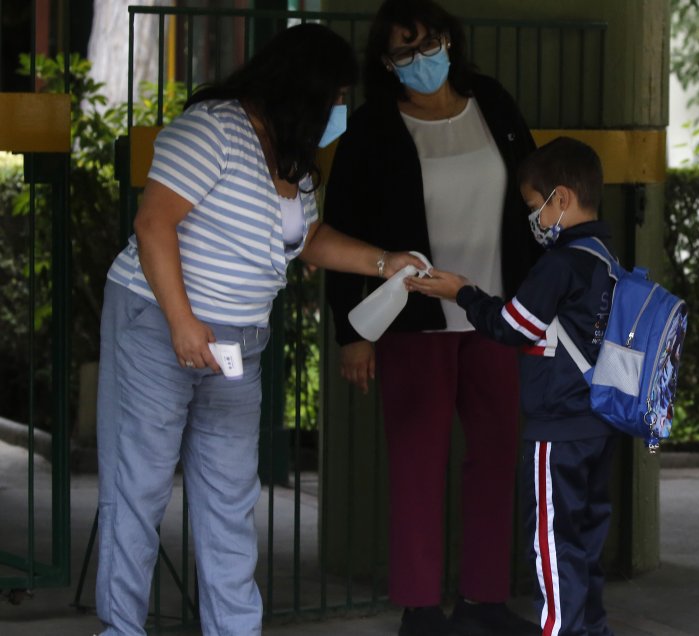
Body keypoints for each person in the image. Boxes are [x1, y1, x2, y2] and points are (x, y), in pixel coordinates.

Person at [95, 24, 425, 636]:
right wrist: (182, 323)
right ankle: (121, 629)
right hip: (156, 327)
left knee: (229, 501)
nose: (338, 112)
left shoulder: (292, 158)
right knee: (137, 490)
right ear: (301, 90)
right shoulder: (212, 129)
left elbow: (308, 240)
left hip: (238, 343)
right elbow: (153, 224)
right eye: (333, 99)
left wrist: (386, 261)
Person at [321, 1, 541, 635]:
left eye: (427, 45)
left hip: (495, 315)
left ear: (449, 41)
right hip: (412, 324)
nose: (419, 61)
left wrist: (536, 307)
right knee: (417, 463)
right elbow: (342, 234)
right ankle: (420, 611)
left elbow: (531, 200)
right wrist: (351, 334)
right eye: (402, 53)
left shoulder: (492, 104)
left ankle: (484, 602)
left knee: (497, 456)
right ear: (383, 63)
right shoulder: (370, 129)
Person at [407, 137, 619, 636]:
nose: (534, 219)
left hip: (556, 432)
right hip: (597, 425)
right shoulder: (605, 257)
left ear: (560, 199)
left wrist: (463, 293)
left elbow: (513, 327)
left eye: (534, 207)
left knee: (552, 549)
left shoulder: (561, 263)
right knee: (584, 547)